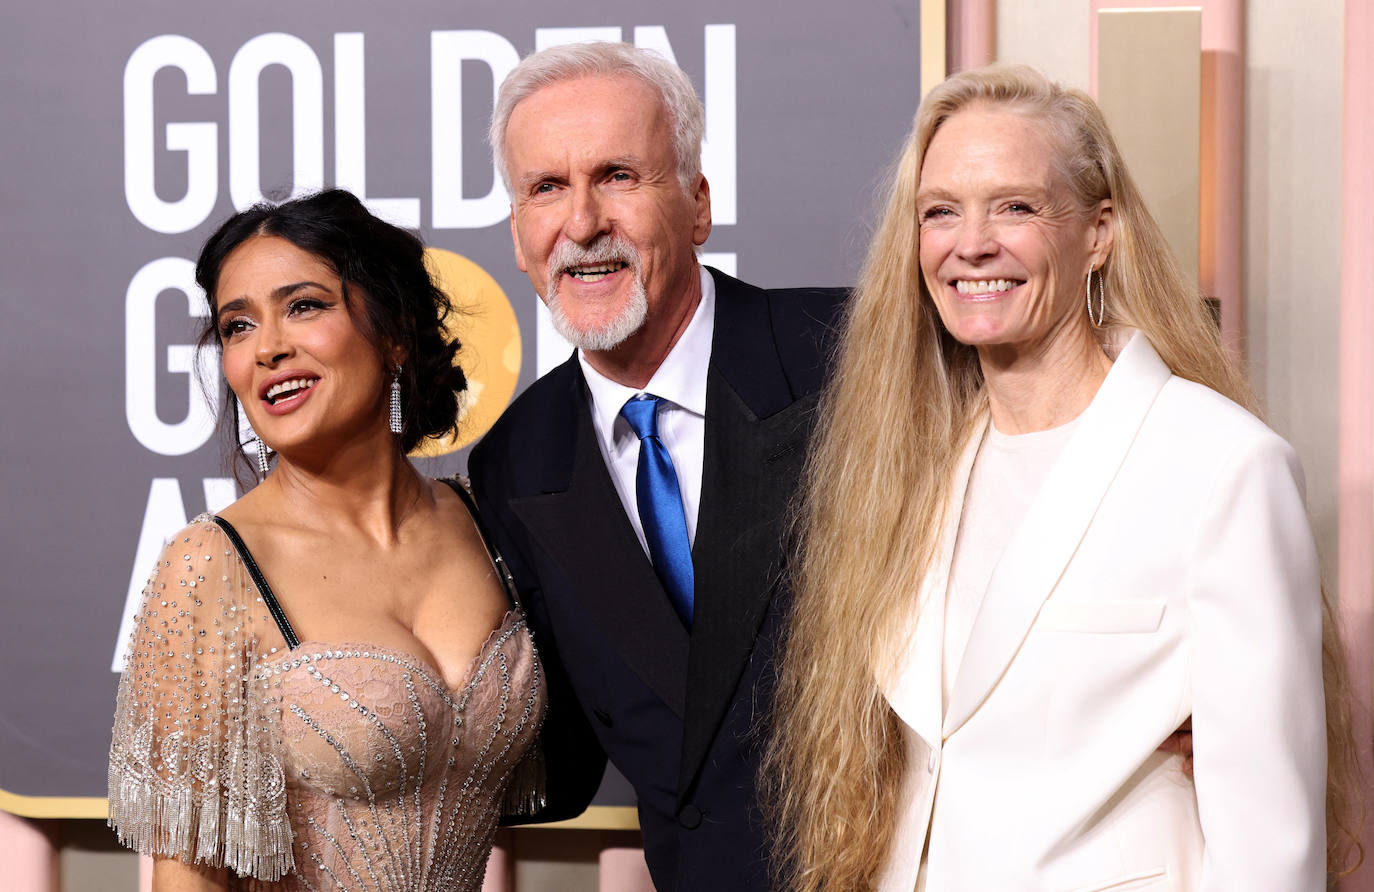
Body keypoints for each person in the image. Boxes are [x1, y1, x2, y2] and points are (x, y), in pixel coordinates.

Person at [765, 64, 1359, 891]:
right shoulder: (908, 471)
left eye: (1015, 206)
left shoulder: (1224, 467)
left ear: (1099, 231)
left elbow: (1272, 853)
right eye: (941, 211)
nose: (971, 243)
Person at [466, 42, 847, 891]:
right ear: (520, 238)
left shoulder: (849, 359)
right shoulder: (514, 464)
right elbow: (557, 762)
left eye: (618, 176)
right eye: (546, 188)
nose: (582, 222)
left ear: (698, 203)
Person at [107, 189, 545, 891]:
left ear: (395, 330)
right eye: (237, 326)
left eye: (304, 306)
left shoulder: (482, 519)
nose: (269, 348)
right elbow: (188, 878)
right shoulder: (212, 566)